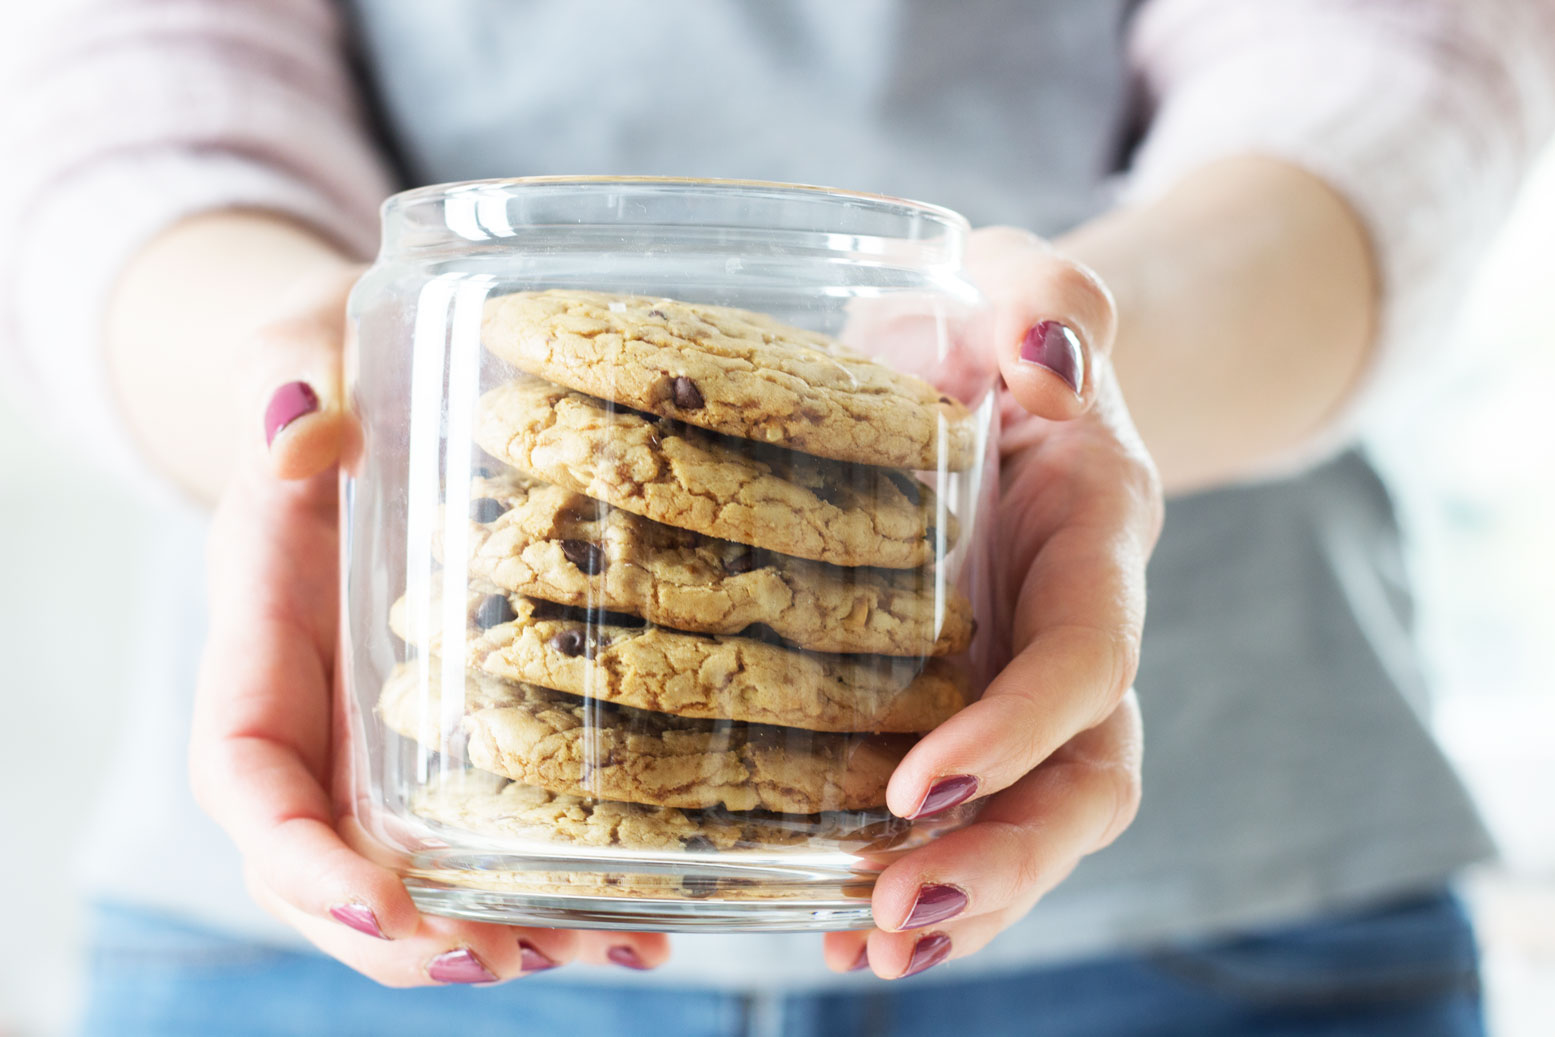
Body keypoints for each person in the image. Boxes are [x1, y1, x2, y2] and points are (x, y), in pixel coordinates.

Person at [3, 1, 1553, 1034]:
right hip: (369, 906)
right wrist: (301, 376)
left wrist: (1062, 380)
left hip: (1227, 907)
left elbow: (1393, 71)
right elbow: (127, 98)